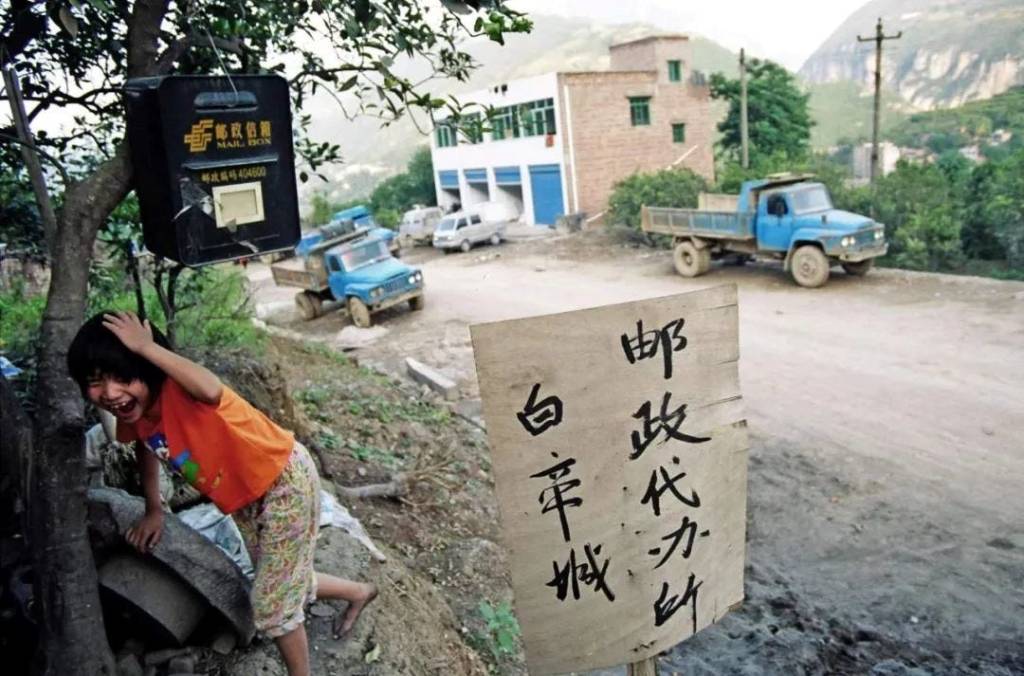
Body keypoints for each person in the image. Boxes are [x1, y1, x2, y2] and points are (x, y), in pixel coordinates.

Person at [67, 310, 377, 676]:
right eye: (95, 382)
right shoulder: (140, 414)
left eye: (123, 378)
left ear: (150, 368)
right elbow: (145, 449)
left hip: (283, 482)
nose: (109, 393)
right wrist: (154, 509)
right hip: (249, 499)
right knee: (277, 579)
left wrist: (146, 348)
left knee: (270, 605)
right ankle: (358, 591)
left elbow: (211, 388)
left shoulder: (181, 391)